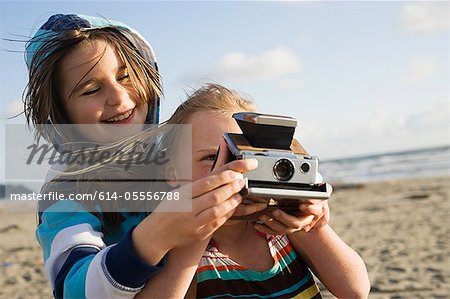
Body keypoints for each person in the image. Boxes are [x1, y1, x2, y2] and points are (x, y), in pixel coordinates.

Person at [26, 14, 261, 298]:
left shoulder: (172, 161)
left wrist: (285, 211)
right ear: (62, 115)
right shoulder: (66, 194)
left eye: (125, 76)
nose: (118, 97)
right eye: (91, 90)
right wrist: (152, 238)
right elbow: (73, 288)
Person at [137, 83, 370, 298]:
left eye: (244, 156)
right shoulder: (183, 251)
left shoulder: (281, 228)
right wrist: (203, 221)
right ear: (172, 172)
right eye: (212, 157)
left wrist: (314, 227)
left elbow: (354, 291)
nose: (231, 169)